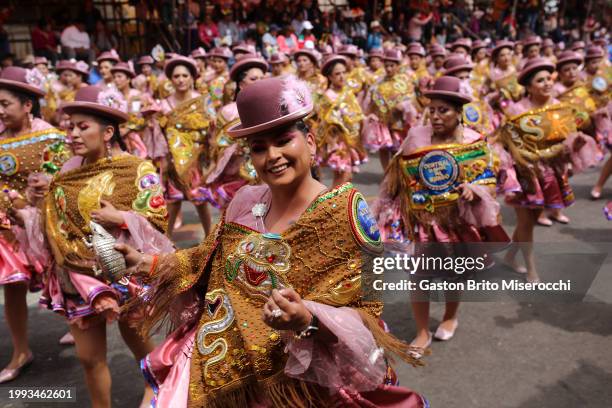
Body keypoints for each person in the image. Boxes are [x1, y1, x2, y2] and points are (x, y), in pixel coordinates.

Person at [115, 75, 428, 408]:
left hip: (300, 386)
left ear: (311, 142)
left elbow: (366, 313)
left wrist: (307, 319)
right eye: (259, 148)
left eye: (283, 140)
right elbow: (202, 262)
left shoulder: (346, 212)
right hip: (226, 377)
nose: (272, 156)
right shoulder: (244, 201)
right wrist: (146, 262)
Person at [12, 85, 174, 407]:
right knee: (88, 358)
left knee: (139, 340)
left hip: (124, 271)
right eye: (70, 126)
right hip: (77, 276)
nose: (72, 133)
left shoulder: (136, 169)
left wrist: (123, 218)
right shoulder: (66, 171)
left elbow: (157, 219)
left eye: (82, 126)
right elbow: (53, 224)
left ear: (108, 131)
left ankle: (156, 386)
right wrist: (28, 210)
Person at [373, 76, 510, 351]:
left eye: (443, 110)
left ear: (459, 112)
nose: (435, 116)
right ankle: (422, 332)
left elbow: (491, 179)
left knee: (453, 274)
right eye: (432, 110)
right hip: (419, 221)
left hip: (456, 222)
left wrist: (474, 189)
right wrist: (385, 208)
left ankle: (450, 317)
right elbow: (396, 175)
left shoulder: (473, 141)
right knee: (418, 277)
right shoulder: (416, 136)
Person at [499, 58, 598, 282]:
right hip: (525, 172)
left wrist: (576, 144)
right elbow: (510, 145)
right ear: (529, 86)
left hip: (550, 172)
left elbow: (567, 141)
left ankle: (510, 257)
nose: (546, 83)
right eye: (540, 80)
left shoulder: (560, 107)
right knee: (526, 222)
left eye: (548, 79)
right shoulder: (516, 110)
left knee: (531, 220)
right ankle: (531, 268)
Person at [0, 67, 70, 383]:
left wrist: (32, 202)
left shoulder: (52, 138)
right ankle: (20, 350)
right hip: (6, 225)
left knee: (62, 273)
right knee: (11, 285)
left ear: (27, 105)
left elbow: (64, 180)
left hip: (44, 221)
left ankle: (78, 323)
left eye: (4, 104)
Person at [158, 56, 216, 237]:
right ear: (171, 80)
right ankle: (166, 244)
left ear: (192, 78)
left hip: (197, 162)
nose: (181, 80)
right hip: (173, 162)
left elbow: (213, 131)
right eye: (176, 76)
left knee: (201, 202)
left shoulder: (203, 101)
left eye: (185, 75)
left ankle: (210, 240)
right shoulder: (164, 104)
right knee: (172, 203)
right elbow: (159, 136)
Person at [202, 55, 267, 209]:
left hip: (265, 172)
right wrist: (233, 149)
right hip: (235, 174)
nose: (259, 82)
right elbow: (217, 145)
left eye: (262, 78)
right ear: (241, 84)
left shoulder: (269, 108)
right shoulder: (227, 112)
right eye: (253, 79)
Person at [317, 55, 366, 187]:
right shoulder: (327, 96)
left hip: (351, 140)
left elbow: (356, 114)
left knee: (347, 177)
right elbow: (324, 121)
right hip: (337, 142)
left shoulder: (348, 92)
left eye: (344, 72)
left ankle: (338, 205)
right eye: (337, 74)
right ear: (330, 77)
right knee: (343, 176)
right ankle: (331, 205)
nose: (342, 76)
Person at [363, 48, 414, 171]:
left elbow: (412, 98)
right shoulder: (378, 82)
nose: (389, 68)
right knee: (384, 148)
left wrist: (404, 105)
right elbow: (370, 100)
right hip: (383, 121)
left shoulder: (405, 80)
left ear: (398, 65)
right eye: (387, 66)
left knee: (399, 149)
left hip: (399, 122)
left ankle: (398, 173)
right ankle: (386, 172)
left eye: (392, 65)